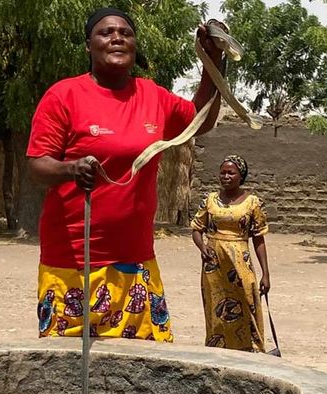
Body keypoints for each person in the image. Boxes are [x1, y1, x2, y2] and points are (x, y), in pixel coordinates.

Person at [27, 7, 225, 340]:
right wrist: (70, 169)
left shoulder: (152, 95)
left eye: (125, 33)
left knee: (147, 364)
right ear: (88, 45)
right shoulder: (64, 96)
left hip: (136, 261)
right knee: (71, 365)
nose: (117, 37)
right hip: (75, 262)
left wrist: (213, 60)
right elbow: (37, 164)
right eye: (106, 32)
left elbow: (199, 121)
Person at [191, 155, 270, 351]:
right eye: (223, 173)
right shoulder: (209, 200)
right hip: (214, 265)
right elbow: (197, 229)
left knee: (247, 302)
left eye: (231, 173)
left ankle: (250, 349)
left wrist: (265, 274)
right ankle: (217, 349)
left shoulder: (252, 203)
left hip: (240, 261)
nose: (226, 176)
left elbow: (258, 238)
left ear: (241, 175)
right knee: (215, 307)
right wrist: (202, 247)